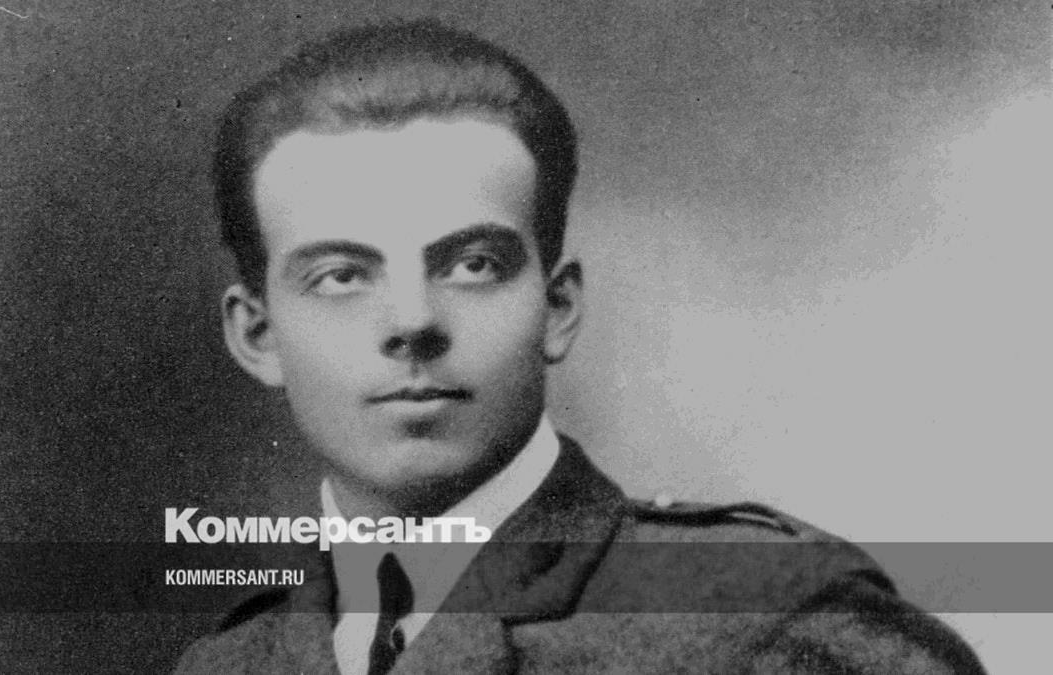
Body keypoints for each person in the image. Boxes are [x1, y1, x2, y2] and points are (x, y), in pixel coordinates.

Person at [174, 19, 984, 674]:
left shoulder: (769, 617)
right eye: (341, 276)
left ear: (557, 308)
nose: (412, 320)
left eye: (473, 264)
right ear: (257, 333)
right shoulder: (227, 663)